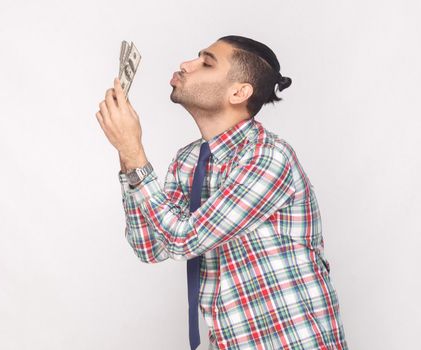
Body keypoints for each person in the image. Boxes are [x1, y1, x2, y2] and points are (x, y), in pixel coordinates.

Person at [95, 35, 348, 349]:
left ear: (239, 92)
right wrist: (126, 153)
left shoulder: (268, 157)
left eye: (206, 62)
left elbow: (184, 239)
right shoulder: (189, 160)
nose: (186, 65)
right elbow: (151, 246)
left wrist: (133, 149)